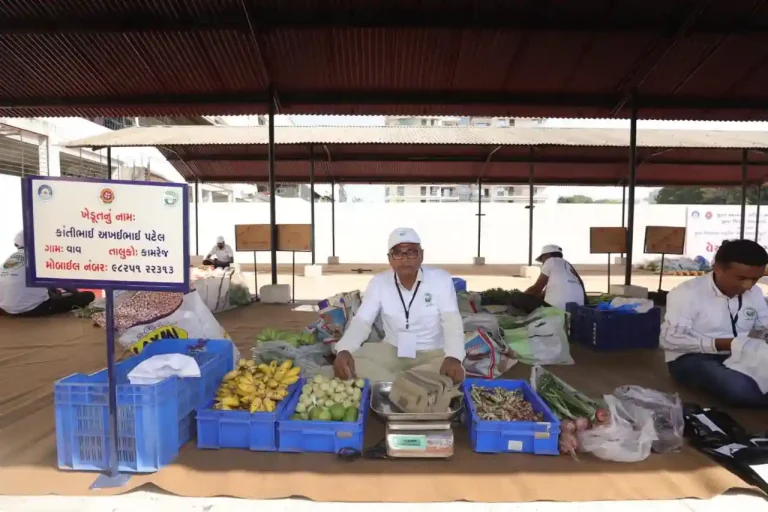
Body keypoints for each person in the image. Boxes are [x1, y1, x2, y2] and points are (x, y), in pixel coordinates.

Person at [333, 227, 466, 384]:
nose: (405, 258)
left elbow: (452, 321)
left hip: (433, 353)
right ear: (389, 258)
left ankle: (393, 383)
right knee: (350, 363)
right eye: (397, 253)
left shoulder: (441, 280)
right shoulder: (379, 283)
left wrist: (453, 356)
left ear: (421, 255)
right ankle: (408, 385)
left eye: (411, 252)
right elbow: (363, 320)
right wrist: (344, 349)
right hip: (392, 350)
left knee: (452, 373)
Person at [661, 239, 768, 407]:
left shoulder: (755, 292)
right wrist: (722, 344)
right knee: (741, 390)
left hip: (740, 353)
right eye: (741, 278)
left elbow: (763, 325)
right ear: (717, 268)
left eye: (756, 279)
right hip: (692, 358)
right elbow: (669, 340)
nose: (748, 285)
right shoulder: (687, 293)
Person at [0, 231, 95, 317]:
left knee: (53, 294)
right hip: (31, 308)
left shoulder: (11, 258)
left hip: (6, 308)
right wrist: (77, 294)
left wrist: (52, 291)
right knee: (88, 295)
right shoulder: (39, 255)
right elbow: (62, 282)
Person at [524, 244, 586, 310]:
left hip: (557, 311)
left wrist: (520, 296)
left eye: (542, 260)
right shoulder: (568, 265)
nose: (543, 263)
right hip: (577, 310)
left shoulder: (550, 261)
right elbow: (544, 293)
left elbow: (537, 287)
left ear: (547, 255)